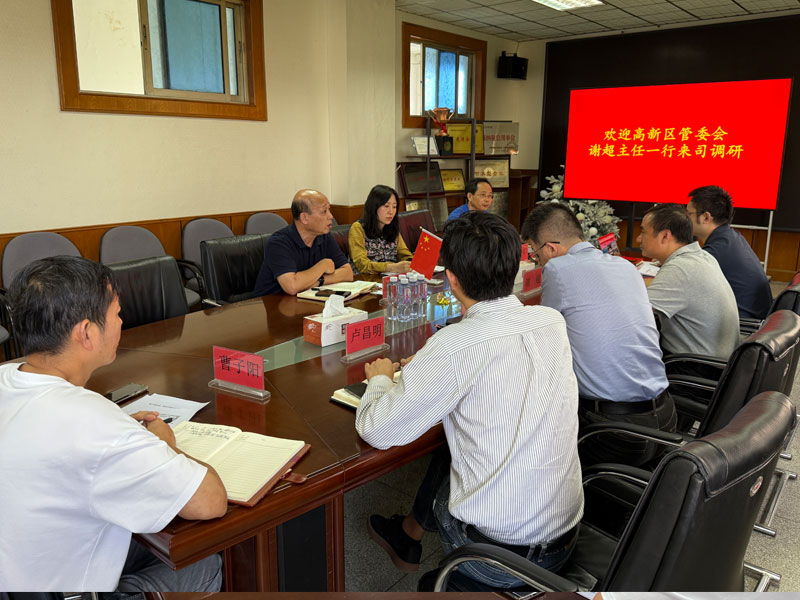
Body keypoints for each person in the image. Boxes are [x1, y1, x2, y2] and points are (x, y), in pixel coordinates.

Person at [356, 212, 583, 588]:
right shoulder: (550, 321)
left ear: (452, 279)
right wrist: (431, 368)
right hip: (566, 534)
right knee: (457, 444)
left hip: (500, 558)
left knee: (449, 453)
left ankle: (417, 545)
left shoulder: (452, 346)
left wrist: (380, 380)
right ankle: (408, 535)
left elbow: (377, 430)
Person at [0, 256, 227, 592]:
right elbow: (210, 501)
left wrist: (117, 430)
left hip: (19, 572)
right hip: (64, 591)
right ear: (87, 332)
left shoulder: (6, 376)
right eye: (117, 313)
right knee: (204, 563)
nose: (121, 321)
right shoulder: (95, 423)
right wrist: (163, 445)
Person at [521, 203, 675, 466]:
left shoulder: (557, 270)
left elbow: (547, 340)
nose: (539, 261)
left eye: (536, 254)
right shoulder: (626, 267)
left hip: (613, 431)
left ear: (550, 249)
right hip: (666, 417)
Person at [638, 203, 739, 358]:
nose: (638, 239)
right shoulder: (702, 256)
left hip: (693, 364)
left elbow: (633, 313)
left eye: (643, 232)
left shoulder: (680, 269)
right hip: (717, 357)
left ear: (665, 236)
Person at [687, 185, 773, 319]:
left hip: (743, 325)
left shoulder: (714, 252)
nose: (685, 219)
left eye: (689, 214)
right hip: (757, 320)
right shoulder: (732, 237)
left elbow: (685, 290)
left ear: (706, 217)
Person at [253, 189, 353, 296]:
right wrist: (322, 266)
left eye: (329, 210)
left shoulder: (324, 236)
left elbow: (347, 273)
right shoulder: (278, 243)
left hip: (305, 300)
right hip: (272, 303)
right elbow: (292, 286)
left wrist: (320, 281)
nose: (331, 216)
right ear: (304, 218)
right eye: (324, 211)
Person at [348, 184, 413, 274]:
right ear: (374, 207)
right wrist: (390, 267)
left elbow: (404, 254)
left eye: (394, 207)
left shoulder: (391, 227)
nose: (391, 212)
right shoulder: (358, 228)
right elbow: (362, 265)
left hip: (391, 277)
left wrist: (410, 261)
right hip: (366, 279)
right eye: (386, 206)